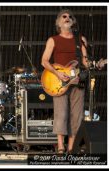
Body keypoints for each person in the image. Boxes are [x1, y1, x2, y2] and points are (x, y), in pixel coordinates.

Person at [41, 9, 89, 154]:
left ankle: (71, 146)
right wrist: (58, 74)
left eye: (70, 17)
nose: (67, 18)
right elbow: (44, 61)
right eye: (64, 16)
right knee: (61, 113)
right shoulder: (53, 40)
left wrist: (94, 64)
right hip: (59, 81)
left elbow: (85, 62)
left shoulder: (80, 39)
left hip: (78, 80)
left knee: (77, 114)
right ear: (58, 22)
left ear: (73, 21)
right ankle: (60, 145)